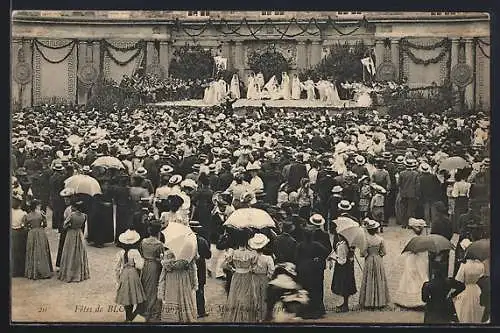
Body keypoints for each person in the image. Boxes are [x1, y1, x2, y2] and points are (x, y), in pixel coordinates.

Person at [222, 229, 258, 322]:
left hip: (236, 275)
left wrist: (233, 269)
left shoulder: (232, 252)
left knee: (235, 294)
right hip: (247, 276)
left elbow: (225, 265)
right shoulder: (252, 253)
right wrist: (250, 268)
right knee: (246, 296)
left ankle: (235, 317)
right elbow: (254, 266)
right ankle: (246, 318)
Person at [157, 242, 198, 322]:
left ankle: (173, 317)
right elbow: (192, 267)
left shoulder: (168, 253)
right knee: (183, 296)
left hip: (171, 277)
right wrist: (193, 282)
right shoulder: (188, 251)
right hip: (183, 277)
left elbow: (166, 269)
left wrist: (163, 261)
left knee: (173, 295)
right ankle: (185, 316)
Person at [393, 218, 428, 308]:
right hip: (418, 258)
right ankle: (417, 298)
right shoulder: (420, 238)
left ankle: (413, 298)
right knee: (418, 275)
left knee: (412, 276)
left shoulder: (411, 238)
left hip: (412, 258)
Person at [295, 224, 329, 319]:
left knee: (304, 289)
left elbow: (296, 258)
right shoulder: (316, 245)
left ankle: (304, 310)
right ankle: (316, 310)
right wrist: (318, 258)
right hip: (314, 270)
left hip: (303, 270)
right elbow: (326, 252)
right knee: (315, 289)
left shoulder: (300, 245)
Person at [115, 229, 146, 322]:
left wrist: (118, 278)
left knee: (125, 295)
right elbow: (139, 266)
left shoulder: (121, 253)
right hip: (133, 274)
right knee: (132, 293)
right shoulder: (135, 252)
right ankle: (131, 316)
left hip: (124, 273)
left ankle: (127, 316)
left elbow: (117, 267)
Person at [358, 219, 390, 309]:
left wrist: (366, 255)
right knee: (379, 278)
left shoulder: (366, 239)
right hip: (378, 259)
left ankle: (368, 301)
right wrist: (378, 255)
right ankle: (380, 301)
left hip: (369, 259)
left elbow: (363, 252)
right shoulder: (380, 239)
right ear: (376, 229)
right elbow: (383, 252)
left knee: (369, 278)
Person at [137, 222, 164, 322]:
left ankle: (143, 309)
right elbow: (161, 258)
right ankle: (150, 311)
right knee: (153, 289)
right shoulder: (159, 244)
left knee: (144, 286)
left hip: (145, 265)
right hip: (154, 266)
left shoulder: (143, 241)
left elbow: (141, 253)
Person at [58, 200, 90, 283]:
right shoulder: (84, 216)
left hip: (71, 233)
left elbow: (64, 225)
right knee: (79, 252)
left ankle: (69, 272)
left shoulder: (72, 215)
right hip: (79, 233)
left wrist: (69, 225)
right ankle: (79, 272)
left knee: (70, 252)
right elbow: (83, 225)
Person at [328, 222, 357, 313]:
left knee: (343, 285)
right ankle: (345, 303)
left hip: (343, 267)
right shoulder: (349, 243)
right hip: (349, 266)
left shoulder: (341, 246)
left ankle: (345, 306)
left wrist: (332, 258)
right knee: (347, 284)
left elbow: (341, 260)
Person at [24, 199, 53, 280]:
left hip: (32, 233)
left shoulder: (27, 215)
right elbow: (45, 224)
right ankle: (44, 270)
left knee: (32, 250)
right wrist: (40, 226)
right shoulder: (41, 214)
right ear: (36, 206)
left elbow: (25, 226)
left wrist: (31, 228)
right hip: (40, 232)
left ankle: (33, 271)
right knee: (42, 250)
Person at [248, 233, 275, 322]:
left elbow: (249, 268)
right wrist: (269, 277)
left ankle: (256, 316)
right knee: (264, 297)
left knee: (255, 296)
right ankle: (263, 317)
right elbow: (271, 270)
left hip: (254, 277)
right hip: (264, 278)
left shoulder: (251, 257)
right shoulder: (268, 258)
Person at [453, 254, 485, 323]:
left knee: (465, 312)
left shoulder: (464, 265)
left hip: (466, 288)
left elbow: (459, 279)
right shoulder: (481, 264)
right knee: (477, 311)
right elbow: (482, 277)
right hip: (477, 289)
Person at [190, 221, 212, 319]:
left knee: (186, 289)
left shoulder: (185, 240)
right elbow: (208, 255)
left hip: (188, 266)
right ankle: (201, 311)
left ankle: (187, 311)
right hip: (200, 266)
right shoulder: (202, 241)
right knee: (200, 289)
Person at [11, 194, 28, 277]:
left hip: (13, 232)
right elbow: (24, 225)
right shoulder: (23, 213)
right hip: (20, 233)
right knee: (20, 252)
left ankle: (13, 270)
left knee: (13, 252)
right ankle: (20, 270)